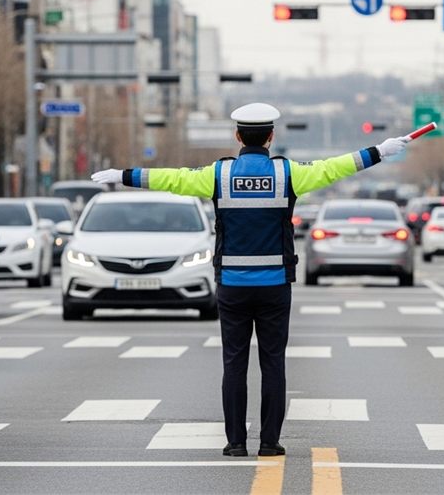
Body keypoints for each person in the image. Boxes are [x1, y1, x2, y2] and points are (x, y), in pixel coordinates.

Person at [91, 102, 411, 458]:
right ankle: (270, 442)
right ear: (271, 137)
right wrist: (379, 152)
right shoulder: (288, 173)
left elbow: (173, 178)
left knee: (234, 363)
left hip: (232, 285)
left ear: (238, 135)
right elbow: (334, 168)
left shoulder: (219, 175)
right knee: (273, 363)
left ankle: (235, 442)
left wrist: (124, 175)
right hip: (275, 285)